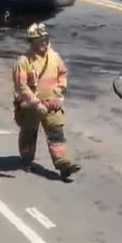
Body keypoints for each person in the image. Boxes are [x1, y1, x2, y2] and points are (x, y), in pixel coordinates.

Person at [11, 23, 81, 179]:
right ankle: (27, 159)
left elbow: (63, 74)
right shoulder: (24, 61)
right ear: (32, 42)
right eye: (39, 40)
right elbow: (21, 86)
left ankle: (63, 164)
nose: (43, 42)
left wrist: (59, 92)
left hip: (51, 104)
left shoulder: (54, 56)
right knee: (29, 133)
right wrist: (35, 103)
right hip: (31, 106)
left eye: (45, 39)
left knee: (56, 132)